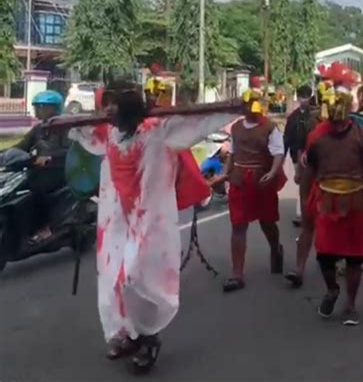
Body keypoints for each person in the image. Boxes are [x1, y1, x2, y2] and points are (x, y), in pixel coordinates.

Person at [68, 87, 238, 371]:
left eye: (112, 109)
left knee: (137, 279)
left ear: (129, 110)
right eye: (105, 109)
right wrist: (51, 124)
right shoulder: (108, 133)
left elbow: (198, 123)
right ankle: (128, 335)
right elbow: (79, 132)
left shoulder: (159, 131)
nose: (106, 115)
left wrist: (234, 109)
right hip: (115, 225)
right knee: (114, 282)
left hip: (149, 225)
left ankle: (149, 338)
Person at [301, 64, 363, 326]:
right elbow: (309, 170)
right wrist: (306, 203)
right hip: (327, 202)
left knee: (355, 258)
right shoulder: (317, 136)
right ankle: (332, 289)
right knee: (325, 254)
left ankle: (350, 305)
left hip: (357, 203)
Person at [222, 89, 286, 293]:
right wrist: (224, 175)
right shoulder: (237, 127)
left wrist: (274, 172)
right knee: (238, 226)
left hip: (261, 180)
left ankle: (276, 249)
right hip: (240, 180)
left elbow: (278, 153)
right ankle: (237, 273)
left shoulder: (269, 126)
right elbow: (232, 153)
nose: (248, 108)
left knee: (267, 222)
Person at [13, 90, 69, 244]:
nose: (37, 110)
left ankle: (46, 227)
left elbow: (70, 150)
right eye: (36, 106)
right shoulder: (38, 129)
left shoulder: (65, 127)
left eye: (41, 106)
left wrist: (50, 156)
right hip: (39, 170)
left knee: (37, 190)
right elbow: (20, 147)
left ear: (53, 108)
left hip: (59, 170)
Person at [283, 84, 314, 226]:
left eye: (306, 97)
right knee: (301, 182)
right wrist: (282, 157)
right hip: (297, 155)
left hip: (315, 154)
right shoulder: (293, 118)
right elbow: (287, 137)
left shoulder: (316, 115)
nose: (304, 100)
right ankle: (301, 213)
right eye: (301, 97)